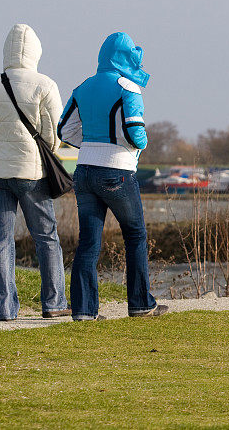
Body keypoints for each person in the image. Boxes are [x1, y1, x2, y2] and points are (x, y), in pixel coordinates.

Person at [58, 31, 167, 321]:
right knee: (135, 235)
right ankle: (141, 304)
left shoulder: (83, 87)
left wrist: (94, 141)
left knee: (89, 242)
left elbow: (64, 130)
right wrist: (137, 143)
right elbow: (135, 133)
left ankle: (83, 311)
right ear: (125, 57)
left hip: (83, 171)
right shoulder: (128, 87)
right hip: (117, 171)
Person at [0, 24, 70, 321]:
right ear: (35, 51)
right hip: (31, 172)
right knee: (46, 238)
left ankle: (4, 308)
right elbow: (55, 133)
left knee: (0, 240)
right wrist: (43, 149)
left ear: (7, 50)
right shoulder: (45, 84)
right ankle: (53, 303)